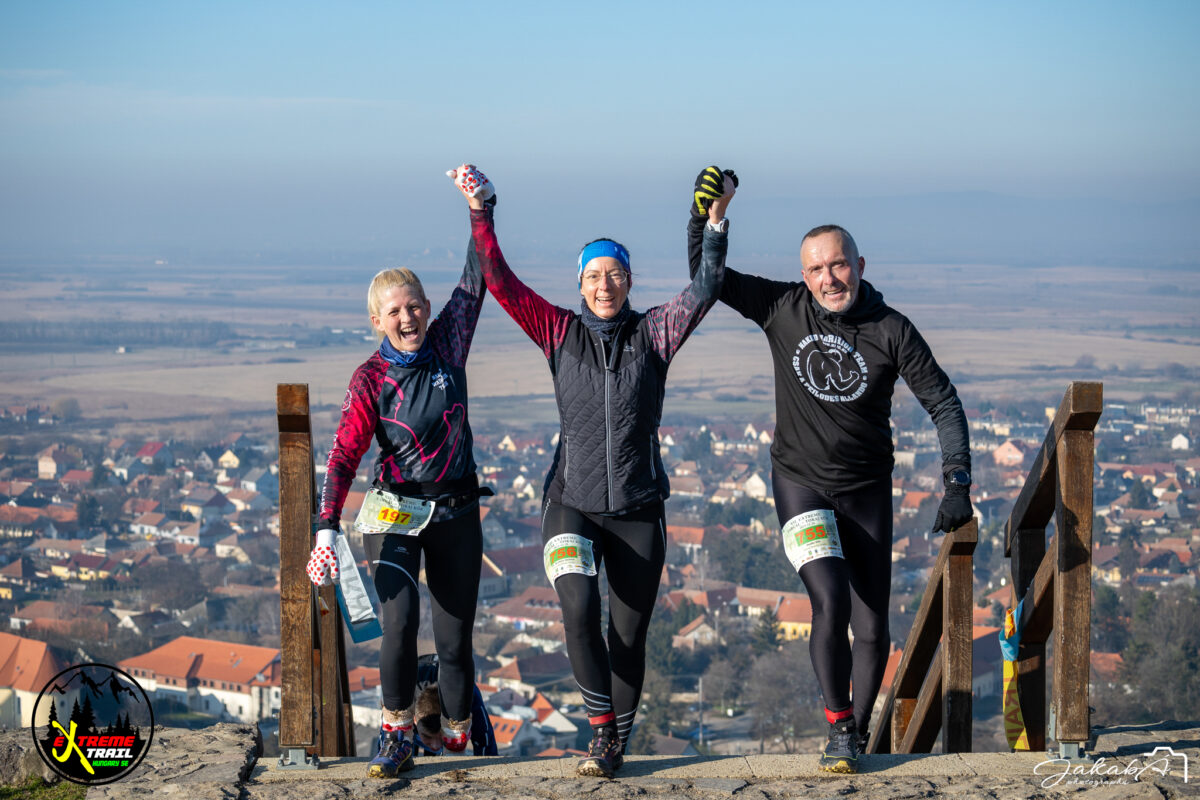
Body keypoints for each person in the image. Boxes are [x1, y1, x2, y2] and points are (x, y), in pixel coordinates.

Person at [686, 167, 973, 774]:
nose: (827, 278)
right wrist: (709, 218)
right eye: (815, 269)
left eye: (837, 265)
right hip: (801, 481)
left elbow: (943, 402)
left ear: (860, 264)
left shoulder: (891, 330)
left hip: (867, 488)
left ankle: (858, 732)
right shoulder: (782, 307)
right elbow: (707, 280)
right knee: (830, 598)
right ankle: (838, 726)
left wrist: (957, 482)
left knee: (873, 629)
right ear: (804, 275)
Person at [449, 164, 731, 778]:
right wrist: (482, 210)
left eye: (615, 275)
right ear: (580, 284)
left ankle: (614, 745)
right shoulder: (559, 331)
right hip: (570, 500)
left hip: (637, 509)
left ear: (629, 281)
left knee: (628, 638)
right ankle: (602, 732)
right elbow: (499, 281)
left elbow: (706, 288)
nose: (605, 285)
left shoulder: (655, 333)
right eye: (594, 276)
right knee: (577, 608)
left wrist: (714, 224)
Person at [306, 237, 492, 778]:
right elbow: (342, 456)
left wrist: (481, 209)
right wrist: (324, 531)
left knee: (455, 640)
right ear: (375, 321)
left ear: (429, 311)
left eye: (415, 307)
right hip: (396, 516)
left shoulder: (449, 344)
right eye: (394, 311)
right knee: (401, 626)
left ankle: (457, 740)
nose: (407, 317)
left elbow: (475, 279)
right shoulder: (370, 380)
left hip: (456, 510)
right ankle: (396, 734)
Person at [410, 653, 497, 757]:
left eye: (443, 737)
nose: (436, 745)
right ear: (415, 719)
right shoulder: (406, 696)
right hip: (418, 672)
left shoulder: (470, 699)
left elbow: (485, 743)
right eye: (427, 736)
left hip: (452, 678)